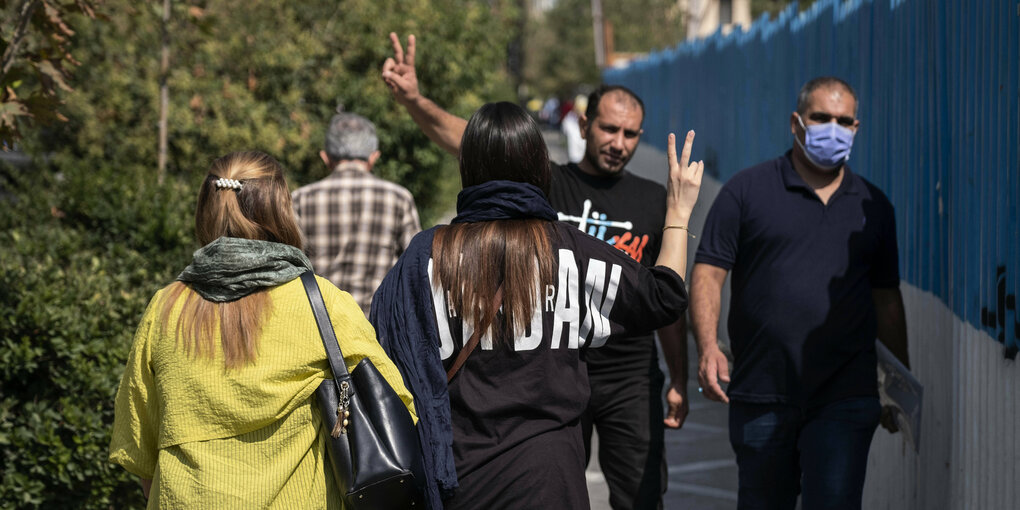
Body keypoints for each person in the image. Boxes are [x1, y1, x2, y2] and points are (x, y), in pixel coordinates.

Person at [381, 33, 690, 510]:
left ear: (468, 166)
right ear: (538, 166)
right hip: (551, 482)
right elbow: (665, 295)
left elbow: (386, 358)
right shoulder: (572, 250)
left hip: (459, 480)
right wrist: (680, 214)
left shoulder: (425, 257)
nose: (619, 142)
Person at [109, 151, 416, 508]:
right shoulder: (323, 303)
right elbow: (398, 409)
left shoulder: (164, 307)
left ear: (205, 210)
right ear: (281, 210)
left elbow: (140, 450)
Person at [690, 77, 911, 510]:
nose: (833, 128)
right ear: (796, 122)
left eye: (844, 121)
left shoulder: (873, 206)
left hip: (845, 396)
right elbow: (708, 272)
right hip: (762, 393)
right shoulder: (747, 191)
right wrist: (707, 346)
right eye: (821, 118)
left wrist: (899, 385)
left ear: (856, 128)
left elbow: (887, 299)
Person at [292, 109, 421, 316]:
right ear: (374, 157)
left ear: (325, 158)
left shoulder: (300, 199)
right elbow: (416, 268)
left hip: (318, 327)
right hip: (376, 329)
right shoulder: (399, 198)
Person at [562, 94, 589, 163]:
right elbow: (564, 132)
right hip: (573, 158)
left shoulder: (589, 121)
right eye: (579, 109)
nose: (581, 113)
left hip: (585, 158)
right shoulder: (569, 119)